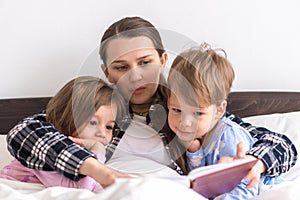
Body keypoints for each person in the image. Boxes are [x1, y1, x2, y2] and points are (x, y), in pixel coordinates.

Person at [6, 16, 297, 189]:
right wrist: (95, 169)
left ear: (162, 60)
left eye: (145, 62)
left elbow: (279, 143)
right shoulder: (99, 109)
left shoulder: (184, 108)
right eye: (121, 67)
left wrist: (254, 162)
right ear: (106, 73)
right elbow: (24, 132)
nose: (135, 76)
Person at [166, 43, 282, 199]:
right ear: (168, 102)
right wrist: (195, 152)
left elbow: (245, 186)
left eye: (197, 113)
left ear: (219, 110)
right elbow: (203, 178)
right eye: (177, 110)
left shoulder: (229, 137)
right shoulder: (196, 136)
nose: (185, 122)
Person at [1, 76, 128, 191]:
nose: (101, 133)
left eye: (109, 127)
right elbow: (82, 187)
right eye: (93, 122)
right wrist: (98, 150)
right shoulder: (48, 151)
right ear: (66, 117)